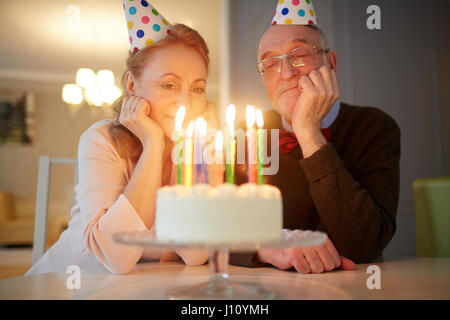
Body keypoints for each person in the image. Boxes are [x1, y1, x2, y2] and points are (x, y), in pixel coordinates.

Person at [26, 4, 215, 275]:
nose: (185, 102)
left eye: (197, 88)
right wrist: (153, 145)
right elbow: (114, 257)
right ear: (131, 85)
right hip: (71, 282)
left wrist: (182, 160)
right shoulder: (100, 139)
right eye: (169, 85)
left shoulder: (200, 149)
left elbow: (196, 253)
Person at [230, 0, 400, 274]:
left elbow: (365, 244)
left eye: (299, 54)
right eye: (270, 64)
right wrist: (264, 249)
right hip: (268, 290)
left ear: (330, 63)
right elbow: (221, 229)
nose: (286, 73)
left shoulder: (375, 127)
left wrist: (308, 132)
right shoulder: (250, 131)